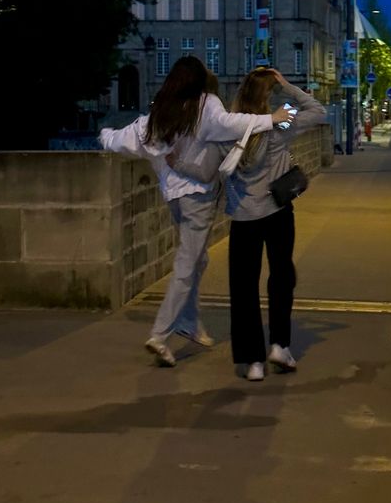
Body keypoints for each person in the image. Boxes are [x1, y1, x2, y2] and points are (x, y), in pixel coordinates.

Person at [99, 56, 294, 367]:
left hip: (172, 198)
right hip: (197, 199)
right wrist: (271, 119)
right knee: (187, 264)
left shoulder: (163, 112)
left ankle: (189, 322)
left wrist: (104, 136)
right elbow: (233, 124)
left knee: (197, 259)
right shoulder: (206, 106)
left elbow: (129, 137)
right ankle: (161, 334)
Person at [224, 68, 327, 381]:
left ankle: (253, 361)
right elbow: (318, 111)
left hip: (243, 215)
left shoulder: (230, 125)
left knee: (243, 288)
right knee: (281, 276)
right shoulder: (281, 121)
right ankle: (279, 345)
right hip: (278, 211)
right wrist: (288, 87)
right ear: (269, 95)